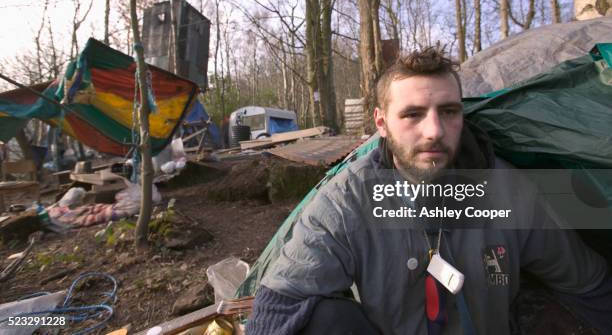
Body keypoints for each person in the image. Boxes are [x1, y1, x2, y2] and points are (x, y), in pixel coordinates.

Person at [246, 48, 612, 335]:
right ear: (382, 123)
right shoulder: (348, 200)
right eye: (413, 114)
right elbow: (280, 303)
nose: (434, 130)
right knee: (325, 319)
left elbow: (589, 283)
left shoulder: (510, 192)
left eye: (448, 112)